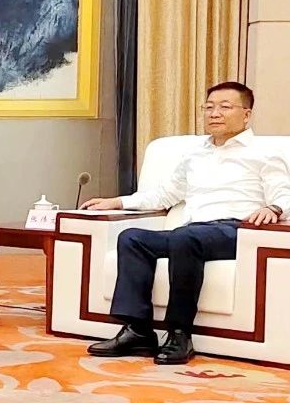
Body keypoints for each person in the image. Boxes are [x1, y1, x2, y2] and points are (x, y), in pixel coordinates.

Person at [80, 81, 290, 365]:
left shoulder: (265, 153)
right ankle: (138, 331)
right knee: (133, 238)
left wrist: (273, 208)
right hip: (192, 233)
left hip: (237, 231)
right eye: (209, 107)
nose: (214, 113)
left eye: (225, 107)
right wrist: (118, 202)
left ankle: (180, 334)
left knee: (184, 238)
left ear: (246, 114)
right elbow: (165, 195)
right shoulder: (194, 154)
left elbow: (284, 196)